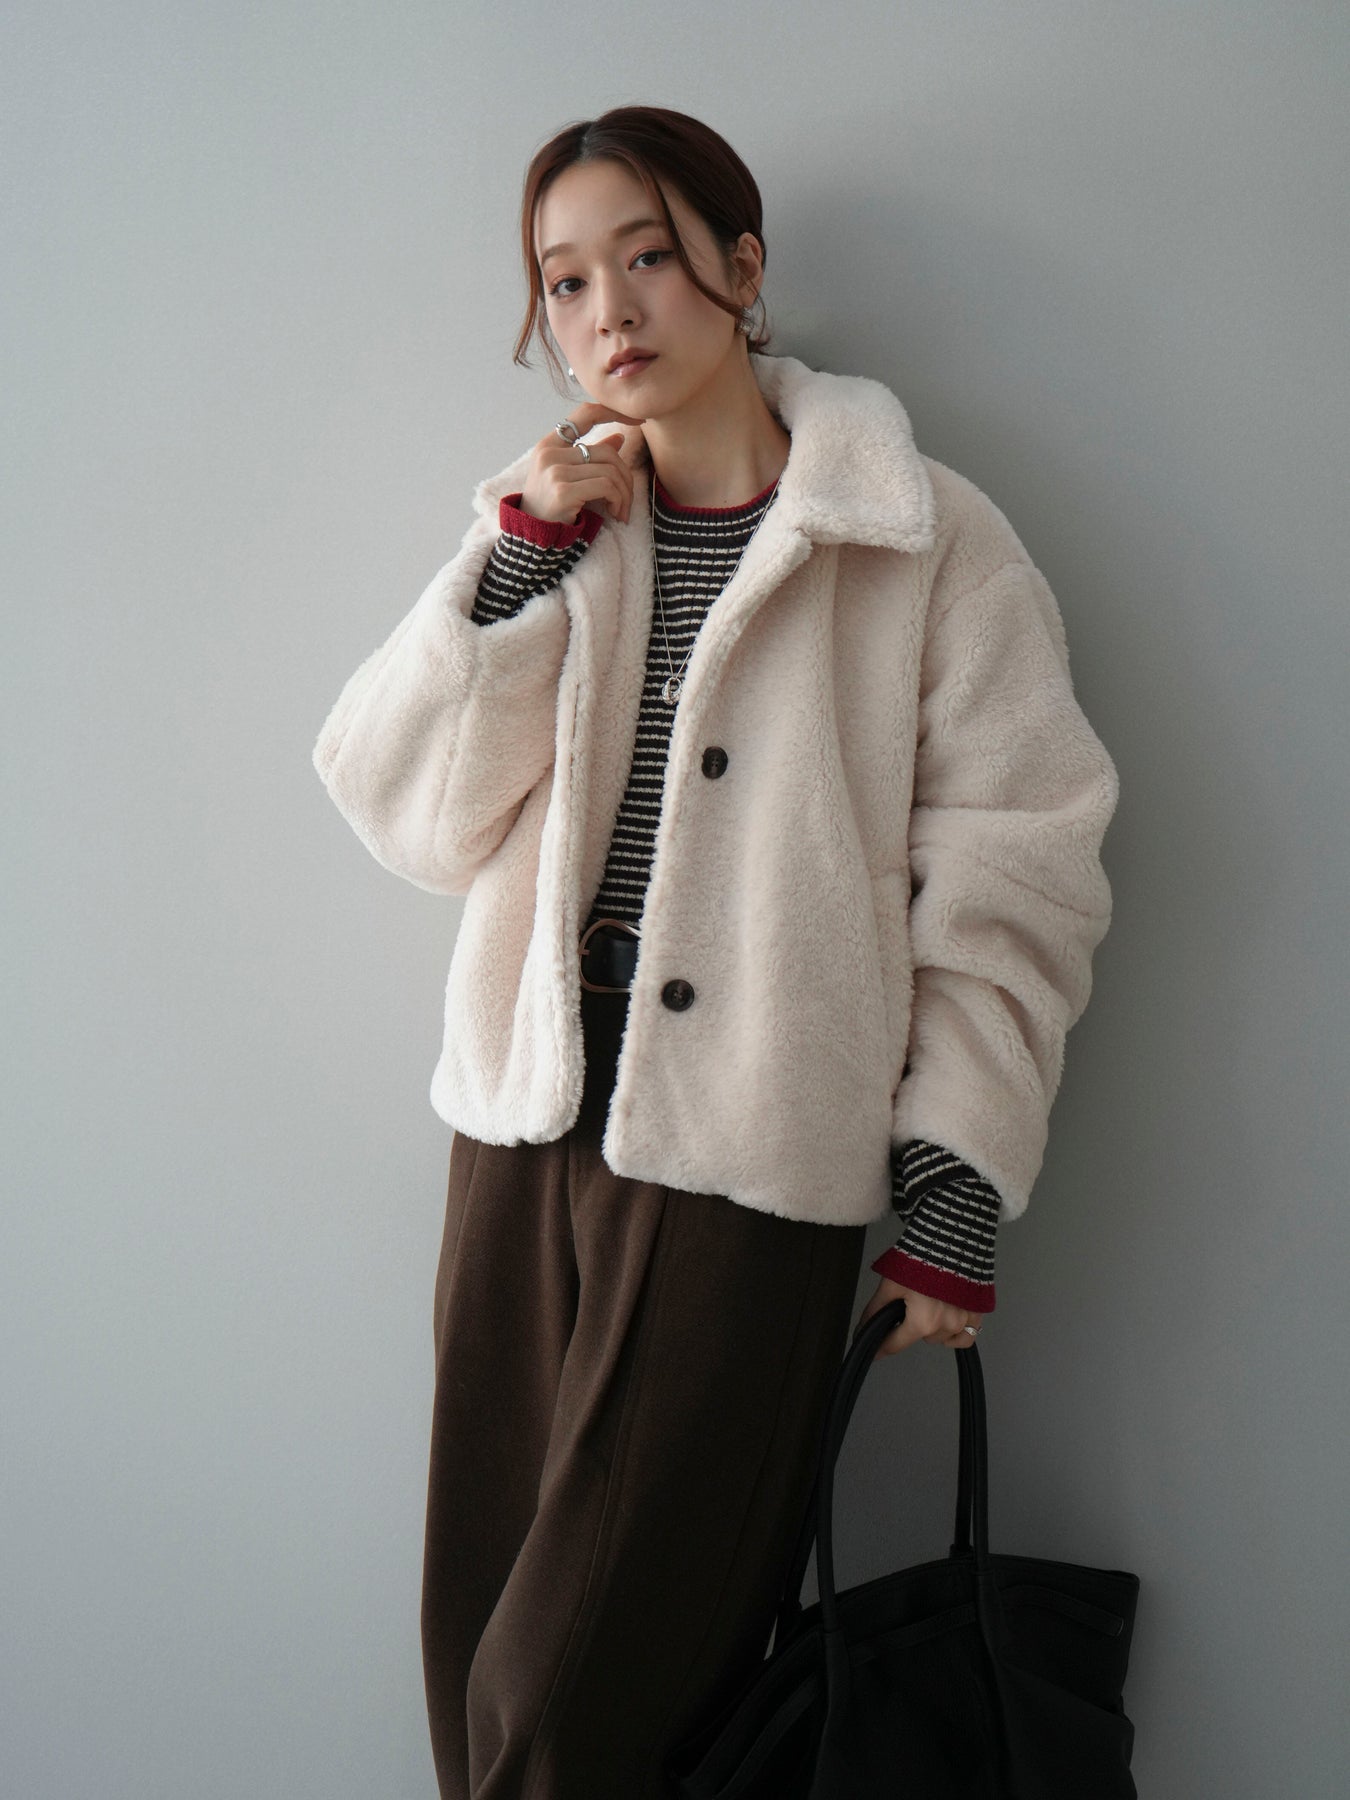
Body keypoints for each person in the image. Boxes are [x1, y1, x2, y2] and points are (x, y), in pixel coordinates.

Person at [311, 104, 1119, 1800]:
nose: (607, 310)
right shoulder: (550, 525)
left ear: (742, 269)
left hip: (747, 1158)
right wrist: (520, 560)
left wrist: (951, 1184)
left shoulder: (920, 536)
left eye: (649, 257)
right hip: (522, 1132)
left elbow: (1018, 868)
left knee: (568, 1698)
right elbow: (406, 810)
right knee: (476, 1652)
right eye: (564, 280)